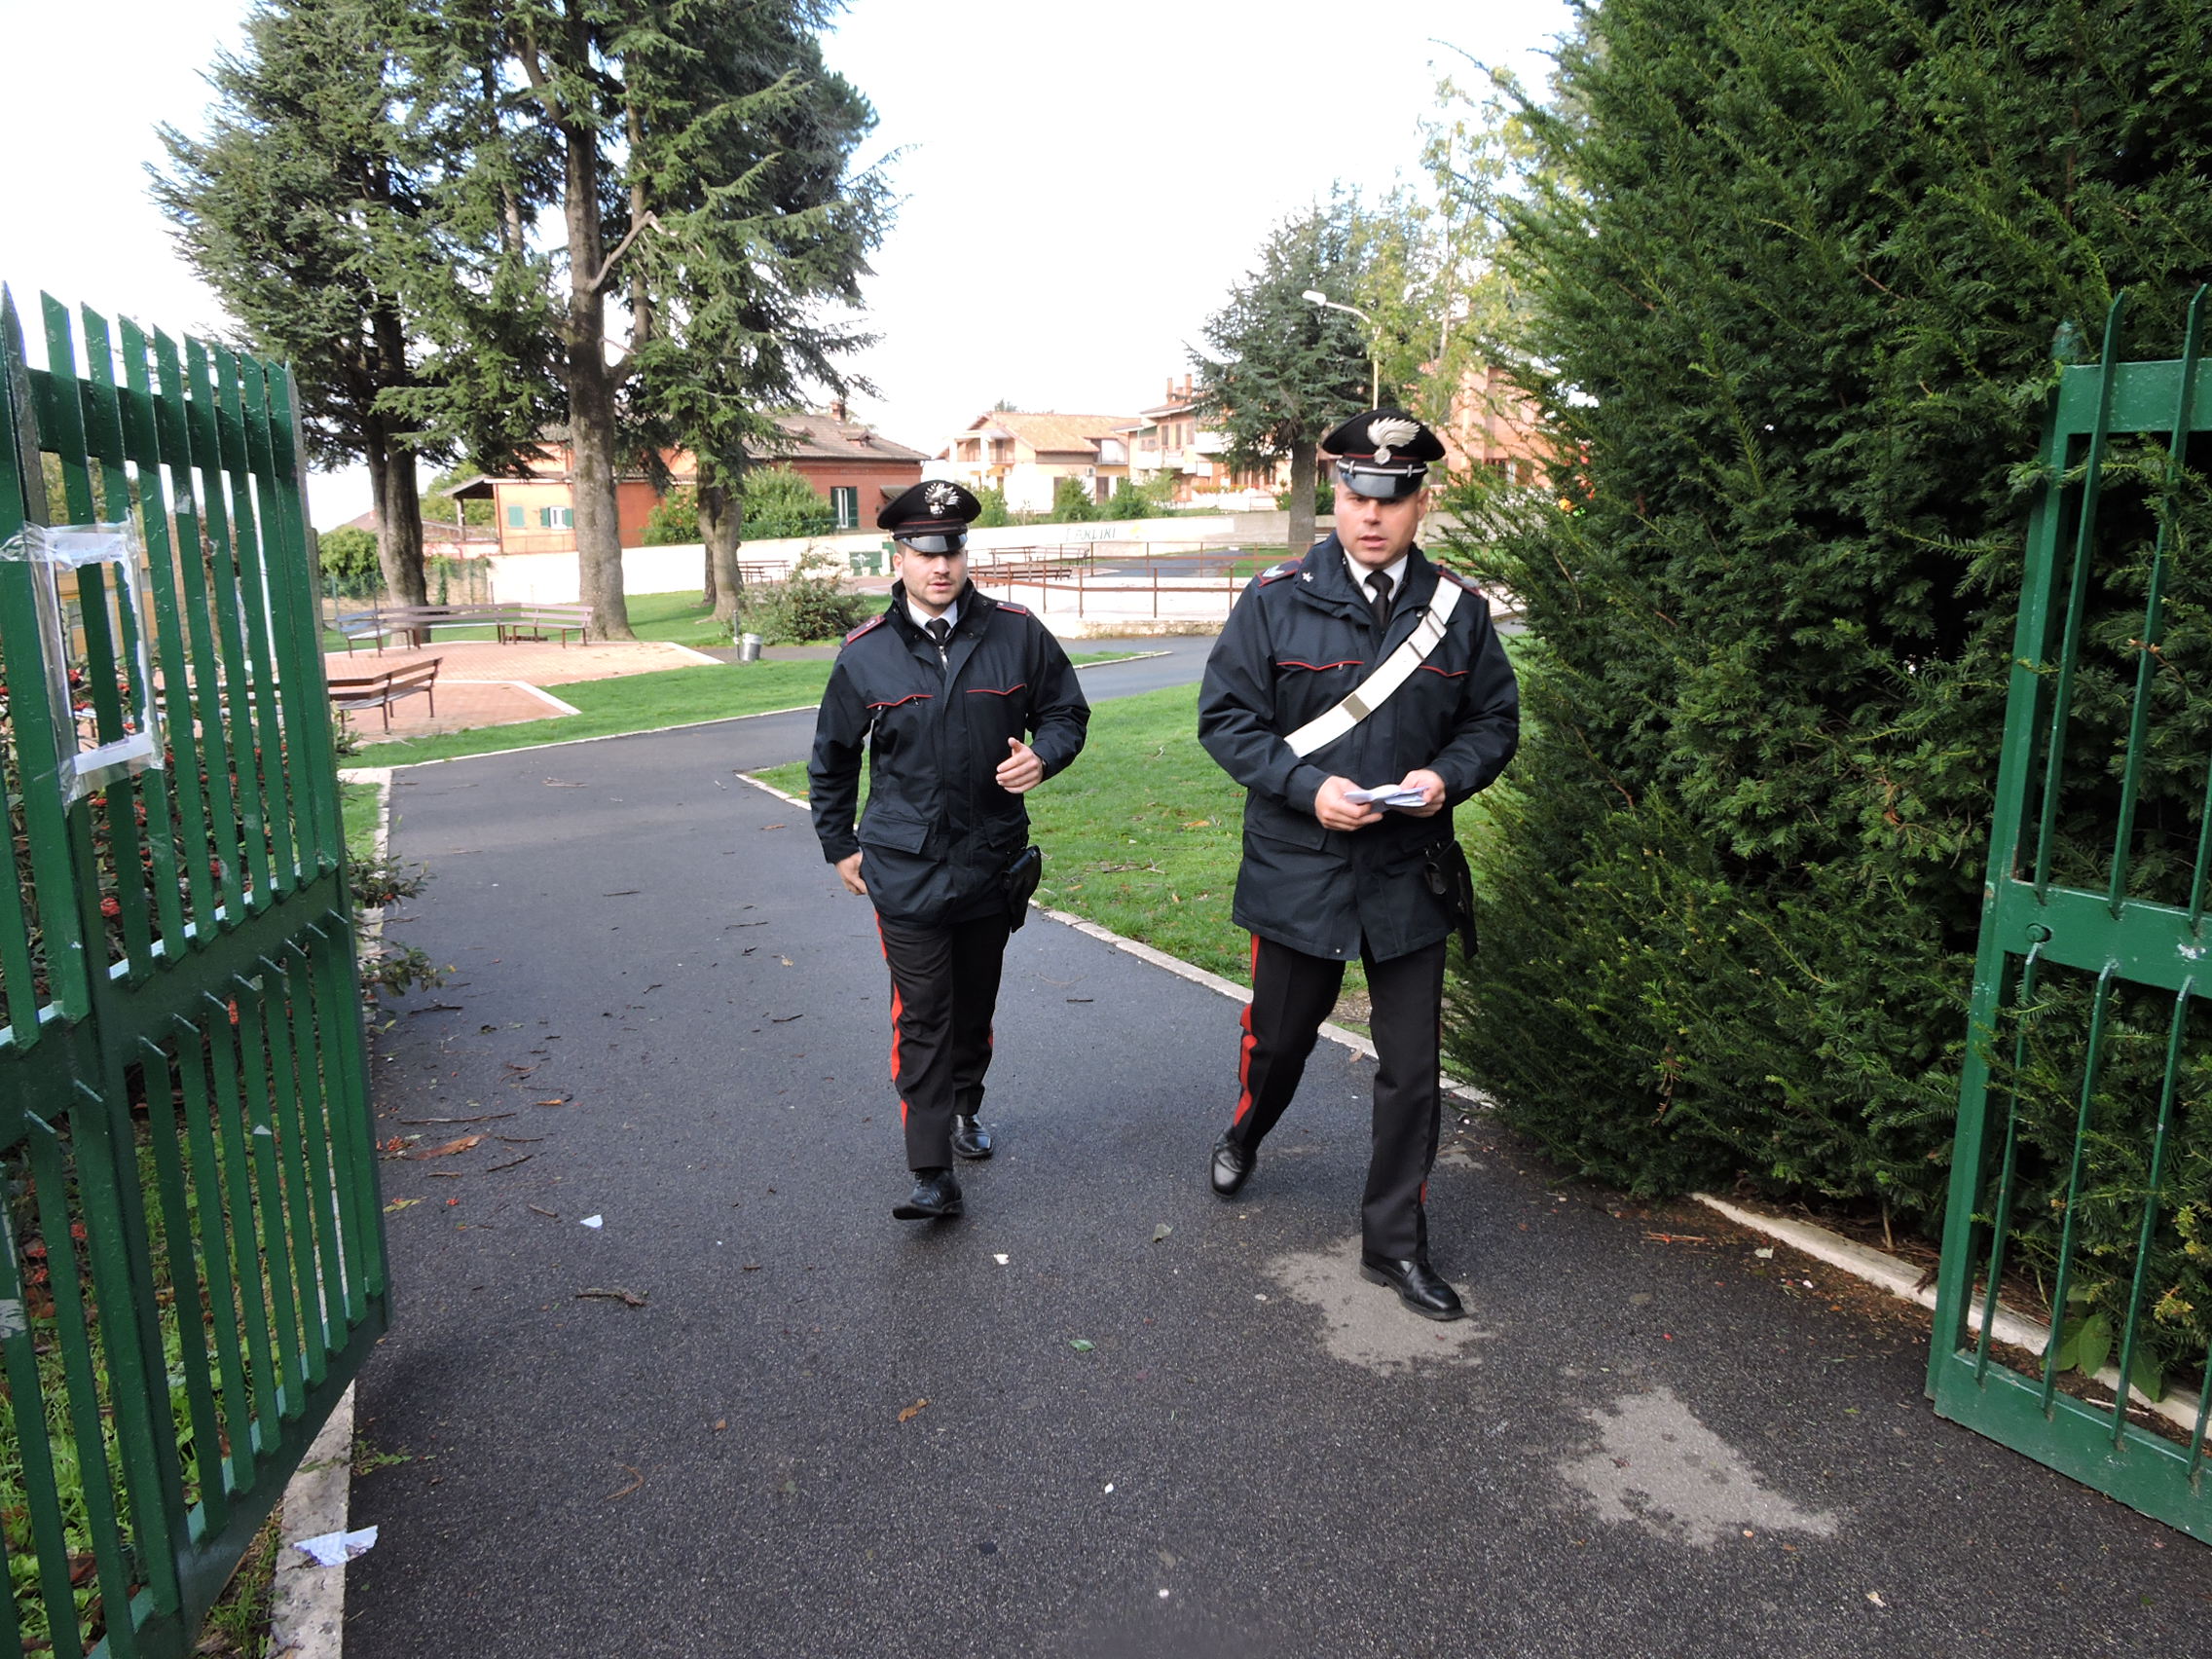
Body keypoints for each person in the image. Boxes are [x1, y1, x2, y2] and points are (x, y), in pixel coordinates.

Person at [1196, 409, 1519, 1319]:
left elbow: (1495, 723)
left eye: (1394, 496)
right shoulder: (1273, 597)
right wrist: (1306, 788)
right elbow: (1225, 722)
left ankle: (1394, 1247)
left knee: (1412, 1070)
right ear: (1335, 494)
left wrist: (1446, 778)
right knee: (1283, 1045)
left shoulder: (1458, 610)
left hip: (1409, 869)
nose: (1371, 515)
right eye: (1354, 494)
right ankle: (1248, 1129)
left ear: (1422, 501)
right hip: (1303, 865)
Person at [808, 479, 1090, 1222]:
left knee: (973, 1005)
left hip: (991, 863)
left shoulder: (1017, 633)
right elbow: (833, 757)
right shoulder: (866, 656)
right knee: (923, 1013)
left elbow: (1066, 711)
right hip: (905, 866)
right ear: (898, 555)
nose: (942, 565)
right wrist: (840, 843)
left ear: (966, 553)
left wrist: (1045, 757)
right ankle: (930, 1168)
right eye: (926, 551)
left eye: (954, 549)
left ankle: (966, 1105)